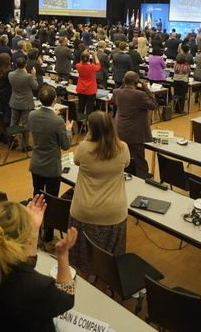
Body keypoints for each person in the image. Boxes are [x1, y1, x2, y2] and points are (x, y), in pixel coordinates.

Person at [0, 198, 77, 331]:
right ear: (26, 239)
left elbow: (25, 265)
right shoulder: (40, 287)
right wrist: (62, 254)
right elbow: (67, 299)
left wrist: (33, 230)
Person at [68, 111, 130, 277]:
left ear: (90, 128)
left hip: (84, 211)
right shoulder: (122, 148)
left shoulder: (84, 147)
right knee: (107, 261)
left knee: (82, 259)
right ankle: (102, 288)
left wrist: (88, 138)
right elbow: (127, 163)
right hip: (113, 213)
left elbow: (76, 161)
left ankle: (82, 287)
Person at [28, 86, 73, 241]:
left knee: (37, 196)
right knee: (51, 201)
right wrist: (68, 130)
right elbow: (66, 145)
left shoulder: (32, 115)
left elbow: (43, 124)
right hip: (52, 167)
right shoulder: (58, 122)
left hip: (36, 164)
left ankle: (35, 227)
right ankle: (48, 234)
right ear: (55, 100)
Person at [111, 71, 158, 175]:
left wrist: (121, 86)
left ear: (124, 81)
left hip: (119, 131)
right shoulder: (140, 94)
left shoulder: (117, 92)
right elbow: (154, 105)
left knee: (122, 157)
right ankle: (143, 180)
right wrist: (146, 89)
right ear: (136, 83)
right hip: (135, 133)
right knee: (139, 160)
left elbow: (113, 100)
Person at [9, 56, 39, 147]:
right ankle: (25, 145)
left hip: (14, 101)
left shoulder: (10, 74)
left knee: (13, 122)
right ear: (25, 65)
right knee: (26, 124)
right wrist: (34, 76)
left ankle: (11, 142)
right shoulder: (29, 77)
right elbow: (35, 86)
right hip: (26, 103)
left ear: (16, 65)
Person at [75, 50, 101, 116]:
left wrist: (84, 53)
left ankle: (80, 125)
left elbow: (81, 62)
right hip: (90, 90)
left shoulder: (78, 66)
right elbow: (98, 65)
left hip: (81, 89)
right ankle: (88, 124)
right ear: (89, 58)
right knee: (89, 110)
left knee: (81, 108)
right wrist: (95, 55)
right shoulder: (91, 67)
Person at [0, 53, 13, 128]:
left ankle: (1, 130)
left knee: (0, 113)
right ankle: (6, 133)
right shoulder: (8, 72)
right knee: (7, 116)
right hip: (7, 96)